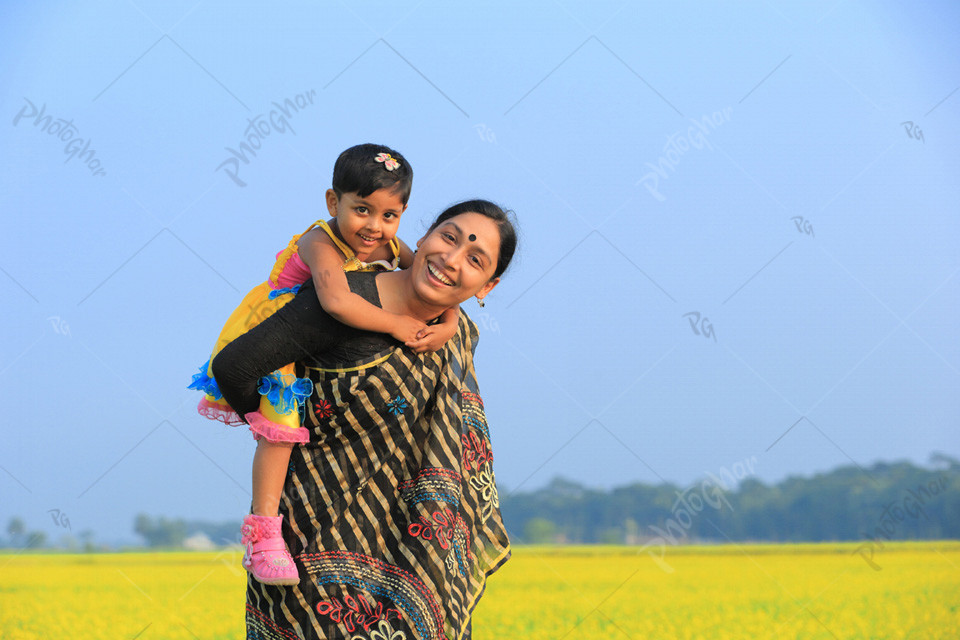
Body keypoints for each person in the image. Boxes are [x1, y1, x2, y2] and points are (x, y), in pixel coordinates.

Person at [213, 200, 517, 640]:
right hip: (312, 553)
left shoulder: (457, 333)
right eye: (448, 237)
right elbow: (235, 369)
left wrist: (450, 321)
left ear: (487, 285)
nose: (451, 260)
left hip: (420, 556)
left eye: (474, 259)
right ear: (424, 236)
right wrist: (283, 431)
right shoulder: (342, 301)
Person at [188, 144, 461, 586]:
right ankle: (263, 536)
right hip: (274, 336)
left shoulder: (390, 243)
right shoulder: (320, 241)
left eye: (389, 215)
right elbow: (336, 302)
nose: (373, 227)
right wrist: (396, 325)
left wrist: (448, 325)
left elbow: (430, 285)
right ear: (333, 202)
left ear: (402, 213)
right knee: (277, 435)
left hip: (313, 350)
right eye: (362, 210)